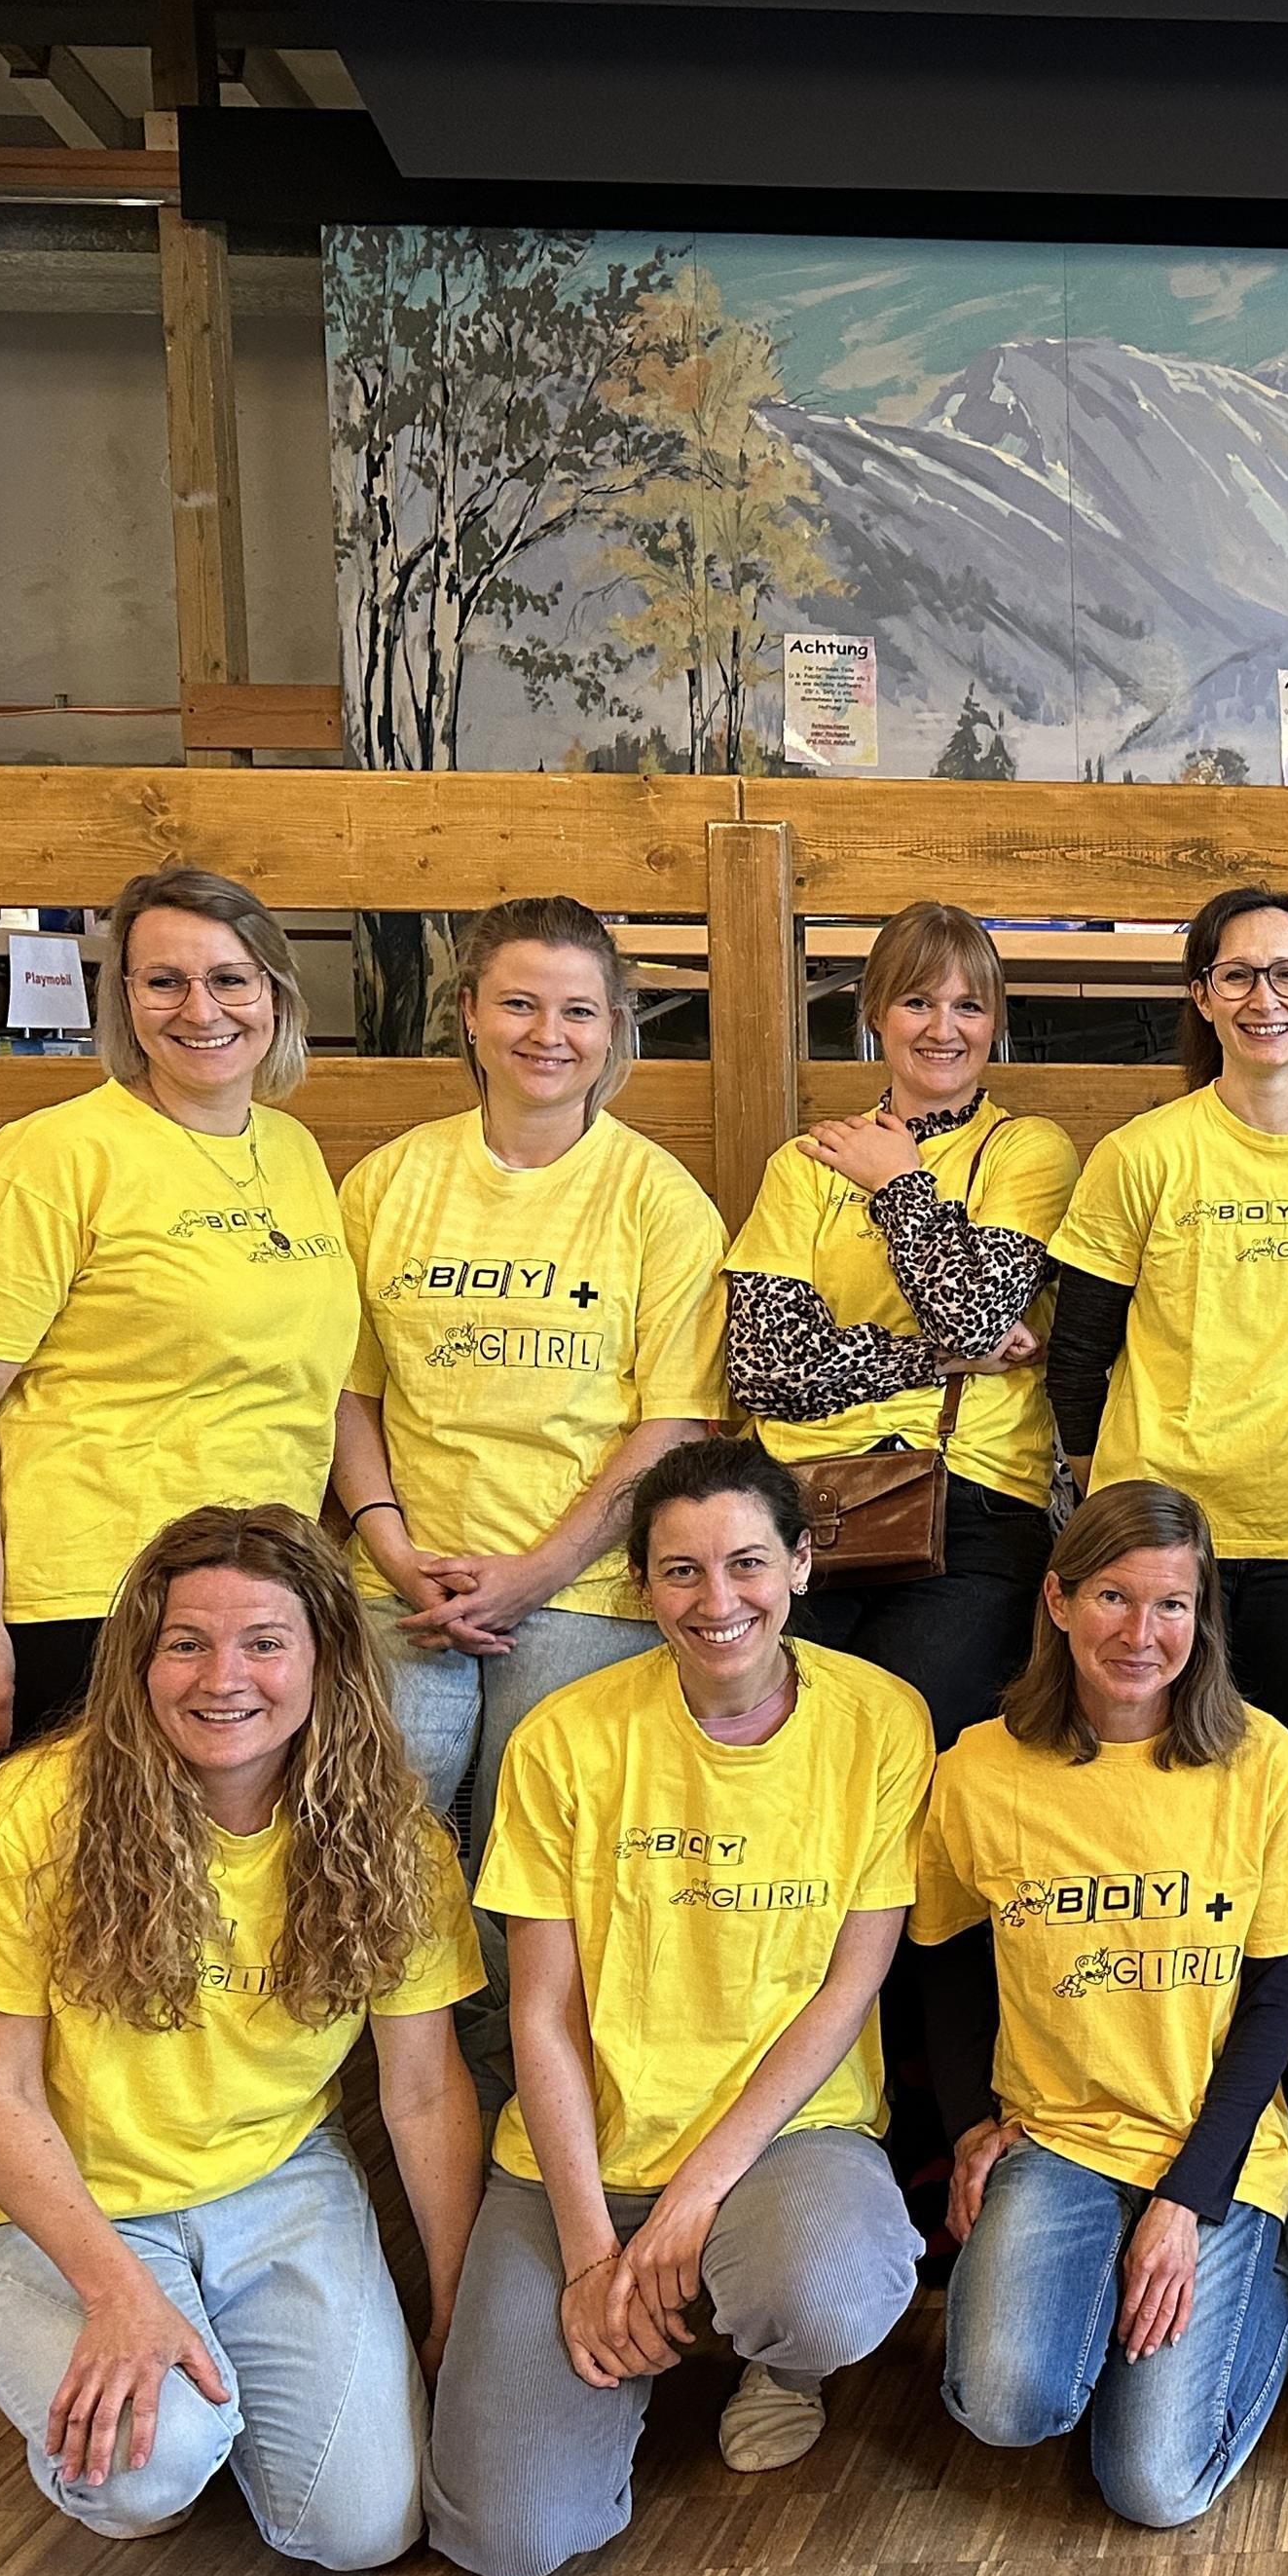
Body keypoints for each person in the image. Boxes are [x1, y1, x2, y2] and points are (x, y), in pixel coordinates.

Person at [0, 1506, 483, 2567]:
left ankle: (208, 2379)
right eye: (187, 1643)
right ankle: (158, 2418)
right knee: (148, 2477)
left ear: (324, 1663)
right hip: (59, 2197)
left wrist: (456, 2304)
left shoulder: (391, 1836)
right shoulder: (32, 1812)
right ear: (140, 1661)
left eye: (264, 1643)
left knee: (360, 2531)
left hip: (273, 2181)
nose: (225, 1677)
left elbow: (425, 2094)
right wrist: (118, 2295)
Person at [423, 1439, 935, 2576]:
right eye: (681, 1573)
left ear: (801, 1565)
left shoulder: (881, 1722)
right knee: (507, 2540)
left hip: (782, 2146)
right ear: (640, 1587)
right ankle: (641, 2332)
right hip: (586, 2159)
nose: (718, 1602)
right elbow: (540, 2017)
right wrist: (593, 2252)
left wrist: (692, 2199)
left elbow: (849, 1988)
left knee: (828, 2294)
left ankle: (765, 2351)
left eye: (747, 1564)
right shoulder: (564, 1738)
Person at [328, 898, 721, 2104]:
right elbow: (347, 1394)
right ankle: (382, 2100)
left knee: (539, 1867)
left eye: (578, 1011)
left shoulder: (660, 1201)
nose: (548, 1034)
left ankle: (521, 2110)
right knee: (369, 1852)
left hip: (584, 1593)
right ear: (471, 1016)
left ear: (614, 1032)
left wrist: (537, 1571)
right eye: (520, 1003)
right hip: (401, 1589)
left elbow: (675, 1426)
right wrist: (392, 1549)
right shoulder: (388, 1185)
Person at [915, 1480, 1288, 2529]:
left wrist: (1185, 2203)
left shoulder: (1262, 1763)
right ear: (1057, 1601)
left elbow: (1279, 1999)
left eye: (1173, 1605)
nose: (1142, 1634)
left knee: (1153, 2485)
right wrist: (969, 2123)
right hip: (1056, 2139)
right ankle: (1098, 2299)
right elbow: (948, 1959)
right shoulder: (978, 1771)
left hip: (1214, 2148)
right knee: (1005, 2405)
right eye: (1113, 1598)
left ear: (1203, 1618)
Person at [0, 867, 358, 1756]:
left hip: (248, 1597)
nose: (201, 1009)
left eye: (230, 979)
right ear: (125, 998)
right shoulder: (53, 1156)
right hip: (82, 1601)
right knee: (76, 1882)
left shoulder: (293, 1149)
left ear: (274, 994)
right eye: (165, 982)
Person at [1049, 885, 1288, 1749]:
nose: (1266, 1000)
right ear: (1201, 996)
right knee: (1144, 1770)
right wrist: (1115, 1495)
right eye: (1238, 976)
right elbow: (1076, 1357)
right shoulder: (1140, 1155)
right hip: (1156, 1538)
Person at [726, 897, 1080, 1752]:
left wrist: (898, 1184)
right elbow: (763, 1365)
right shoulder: (805, 1165)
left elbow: (978, 1311)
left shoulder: (1027, 1151)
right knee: (793, 1756)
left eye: (969, 1005)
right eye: (918, 1001)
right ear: (873, 1013)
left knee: (912, 1749)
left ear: (995, 1022)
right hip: (805, 1506)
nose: (943, 1028)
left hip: (973, 1506)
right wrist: (938, 1360)